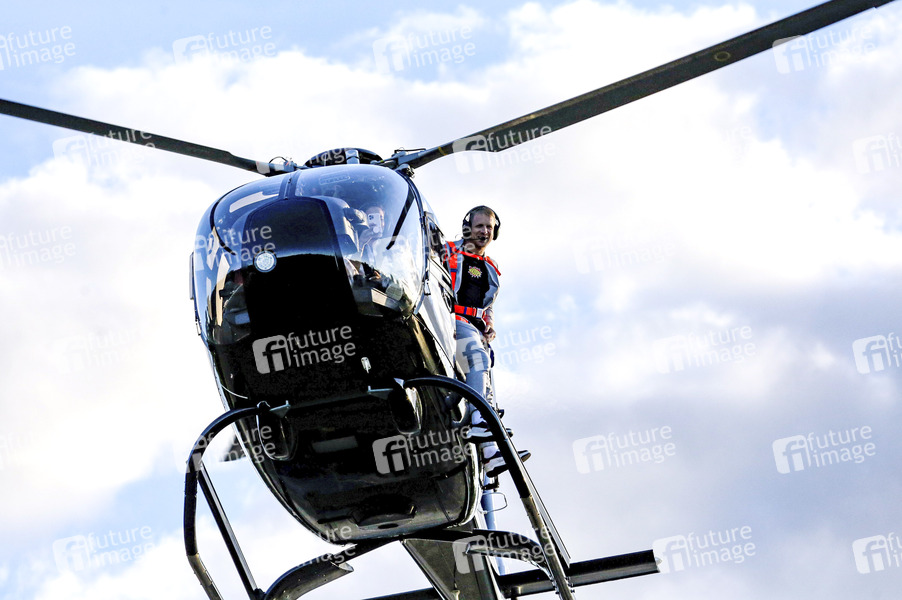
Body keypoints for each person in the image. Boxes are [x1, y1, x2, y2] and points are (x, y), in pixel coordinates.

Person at [445, 206, 528, 478]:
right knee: (477, 360)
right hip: (451, 321)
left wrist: (489, 324)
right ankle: (479, 421)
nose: (484, 231)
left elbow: (487, 305)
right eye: (479, 226)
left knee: (487, 386)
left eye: (489, 227)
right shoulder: (447, 252)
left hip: (476, 328)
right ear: (468, 227)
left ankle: (491, 454)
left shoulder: (490, 268)